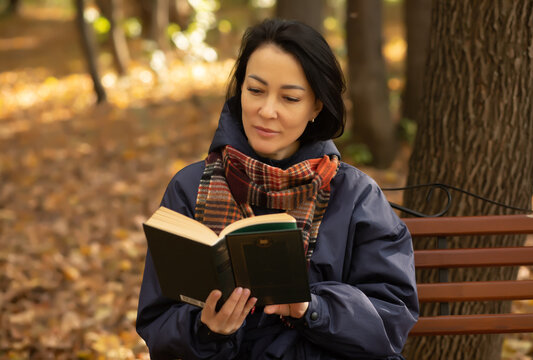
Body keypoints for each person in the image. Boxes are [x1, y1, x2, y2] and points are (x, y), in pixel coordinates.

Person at [136, 18, 418, 360]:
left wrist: (312, 309)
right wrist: (206, 329)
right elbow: (157, 321)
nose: (266, 111)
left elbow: (390, 320)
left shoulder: (356, 196)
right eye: (255, 91)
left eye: (289, 98)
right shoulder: (190, 187)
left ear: (316, 106)